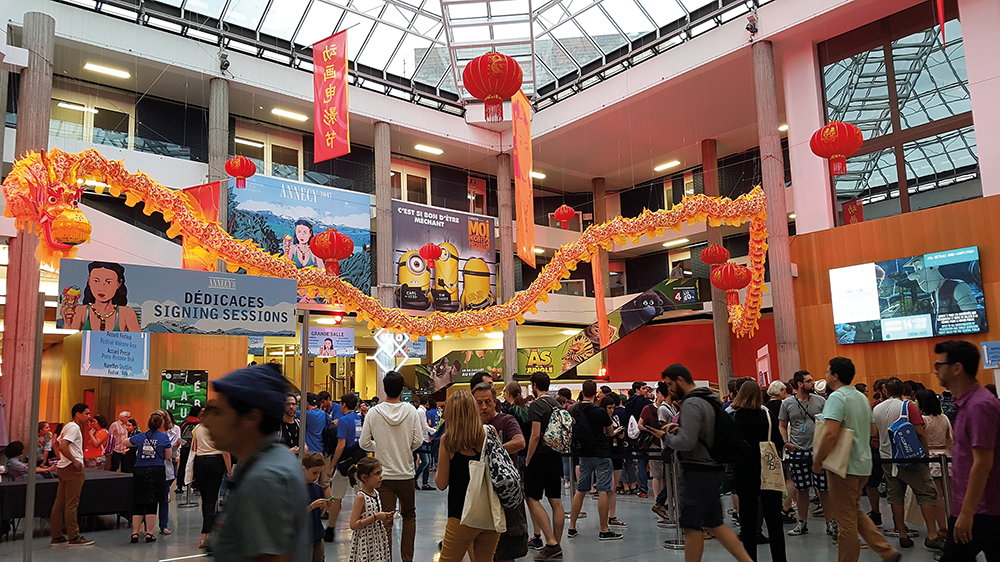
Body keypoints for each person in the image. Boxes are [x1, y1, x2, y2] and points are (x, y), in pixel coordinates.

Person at [202, 364, 310, 562]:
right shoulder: (267, 459)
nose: (206, 421)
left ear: (251, 418)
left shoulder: (265, 480)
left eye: (218, 412)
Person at [660, 364, 753, 562]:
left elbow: (687, 443)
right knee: (715, 524)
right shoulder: (709, 398)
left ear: (680, 380)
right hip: (712, 468)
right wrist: (681, 429)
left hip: (697, 472)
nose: (669, 390)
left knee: (691, 527)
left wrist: (665, 437)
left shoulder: (692, 403)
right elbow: (702, 432)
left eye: (670, 384)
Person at [813, 357, 898, 562]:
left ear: (835, 376)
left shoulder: (836, 398)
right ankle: (886, 551)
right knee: (853, 511)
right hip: (863, 463)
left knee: (846, 522)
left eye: (827, 372)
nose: (825, 375)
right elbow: (873, 430)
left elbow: (830, 433)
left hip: (843, 466)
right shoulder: (860, 397)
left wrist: (818, 460)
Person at [932, 340, 1000, 562]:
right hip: (972, 508)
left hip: (983, 511)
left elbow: (983, 462)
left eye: (939, 365)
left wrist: (967, 512)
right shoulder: (965, 404)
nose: (936, 370)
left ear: (957, 368)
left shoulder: (980, 406)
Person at [359, 370, 424, 562]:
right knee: (409, 516)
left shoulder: (373, 412)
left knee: (385, 519)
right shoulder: (411, 411)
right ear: (402, 389)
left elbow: (363, 443)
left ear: (384, 388)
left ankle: (385, 558)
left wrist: (380, 446)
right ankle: (407, 559)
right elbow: (418, 440)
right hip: (406, 474)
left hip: (383, 476)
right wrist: (404, 447)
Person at [872, 377, 943, 549]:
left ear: (886, 391)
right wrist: (925, 453)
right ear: (903, 391)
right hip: (909, 458)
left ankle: (902, 534)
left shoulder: (876, 408)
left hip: (887, 458)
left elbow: (875, 433)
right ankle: (932, 534)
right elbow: (920, 432)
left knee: (895, 496)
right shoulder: (908, 406)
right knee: (926, 493)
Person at [436, 390, 502, 561]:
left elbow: (441, 483)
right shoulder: (490, 432)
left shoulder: (448, 440)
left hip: (461, 514)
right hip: (490, 511)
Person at [730, 380, 787, 562]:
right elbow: (778, 441)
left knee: (748, 520)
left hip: (745, 470)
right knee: (774, 519)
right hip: (768, 468)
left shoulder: (734, 417)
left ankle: (749, 558)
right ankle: (779, 558)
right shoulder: (767, 416)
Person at [472, 382, 528, 562]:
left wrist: (494, 451)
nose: (484, 407)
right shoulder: (471, 426)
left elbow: (520, 442)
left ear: (495, 402)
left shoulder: (506, 421)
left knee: (507, 547)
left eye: (487, 402)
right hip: (479, 493)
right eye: (479, 403)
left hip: (505, 493)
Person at [779, 370, 834, 538]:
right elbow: (782, 425)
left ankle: (830, 523)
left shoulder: (820, 401)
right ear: (800, 384)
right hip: (797, 451)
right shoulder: (787, 403)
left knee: (823, 489)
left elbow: (828, 423)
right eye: (809, 381)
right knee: (801, 489)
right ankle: (802, 523)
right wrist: (786, 442)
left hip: (818, 451)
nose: (813, 383)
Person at [523, 373, 565, 560]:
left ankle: (551, 542)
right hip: (555, 455)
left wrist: (528, 458)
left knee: (531, 497)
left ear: (534, 385)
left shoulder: (536, 406)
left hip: (539, 457)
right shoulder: (557, 404)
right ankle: (557, 543)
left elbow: (535, 435)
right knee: (556, 500)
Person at [50, 403, 95, 547]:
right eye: (86, 413)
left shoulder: (67, 426)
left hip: (63, 468)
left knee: (59, 504)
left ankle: (57, 536)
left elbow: (56, 444)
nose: (89, 417)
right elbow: (63, 446)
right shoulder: (74, 428)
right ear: (78, 414)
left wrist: (62, 459)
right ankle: (74, 536)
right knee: (72, 504)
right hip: (71, 469)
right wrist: (74, 461)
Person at [128, 412, 172, 544]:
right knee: (153, 502)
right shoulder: (164, 438)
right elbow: (168, 456)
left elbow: (126, 442)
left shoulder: (141, 436)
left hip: (140, 470)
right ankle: (149, 533)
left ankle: (135, 533)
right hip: (156, 470)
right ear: (161, 424)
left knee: (138, 502)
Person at [916, 389, 953, 542]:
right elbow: (950, 438)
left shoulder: (922, 420)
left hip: (930, 459)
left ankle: (943, 527)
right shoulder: (944, 418)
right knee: (949, 495)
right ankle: (952, 524)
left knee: (936, 495)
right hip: (946, 457)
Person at [326, 393, 363, 543]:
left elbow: (341, 445)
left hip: (345, 464)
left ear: (343, 404)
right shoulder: (358, 418)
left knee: (336, 497)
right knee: (362, 495)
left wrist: (332, 465)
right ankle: (363, 527)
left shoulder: (343, 421)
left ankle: (330, 529)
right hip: (359, 460)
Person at [67, 261, 141, 331]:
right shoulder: (80, 311)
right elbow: (69, 338)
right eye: (96, 281)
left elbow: (139, 339)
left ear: (118, 284)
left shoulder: (127, 313)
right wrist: (67, 321)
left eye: (108, 282)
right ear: (89, 281)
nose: (101, 288)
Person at [192, 422, 232, 549]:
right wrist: (230, 471)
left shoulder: (197, 428)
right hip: (215, 461)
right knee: (211, 499)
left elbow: (194, 447)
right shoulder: (219, 427)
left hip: (200, 462)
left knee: (205, 499)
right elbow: (225, 451)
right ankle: (205, 534)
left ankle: (206, 532)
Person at [348, 457, 392, 562]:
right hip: (366, 542)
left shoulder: (376, 493)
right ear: (364, 477)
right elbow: (353, 525)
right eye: (377, 474)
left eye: (381, 473)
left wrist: (384, 518)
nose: (381, 477)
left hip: (378, 539)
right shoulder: (361, 497)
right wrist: (375, 517)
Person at [601, 394, 628, 529]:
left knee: (614, 487)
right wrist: (612, 433)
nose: (611, 410)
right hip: (607, 452)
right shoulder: (601, 419)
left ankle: (612, 515)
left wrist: (620, 434)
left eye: (613, 408)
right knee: (609, 487)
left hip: (617, 451)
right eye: (609, 408)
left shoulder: (616, 418)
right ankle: (605, 516)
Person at [158, 409, 182, 535]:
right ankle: (147, 525)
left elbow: (171, 453)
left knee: (164, 498)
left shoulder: (174, 431)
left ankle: (163, 525)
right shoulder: (150, 434)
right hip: (154, 467)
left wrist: (175, 449)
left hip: (167, 466)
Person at [302, 452, 328, 562]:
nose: (317, 476)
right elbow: (297, 514)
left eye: (319, 473)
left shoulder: (318, 488)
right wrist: (312, 506)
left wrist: (324, 506)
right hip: (304, 536)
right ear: (304, 469)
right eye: (314, 473)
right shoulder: (298, 488)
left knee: (319, 557)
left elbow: (319, 514)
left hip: (317, 532)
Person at [176, 405, 201, 493]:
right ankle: (196, 486)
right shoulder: (199, 425)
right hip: (196, 448)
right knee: (196, 466)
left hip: (185, 447)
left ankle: (179, 486)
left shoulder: (184, 423)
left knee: (182, 466)